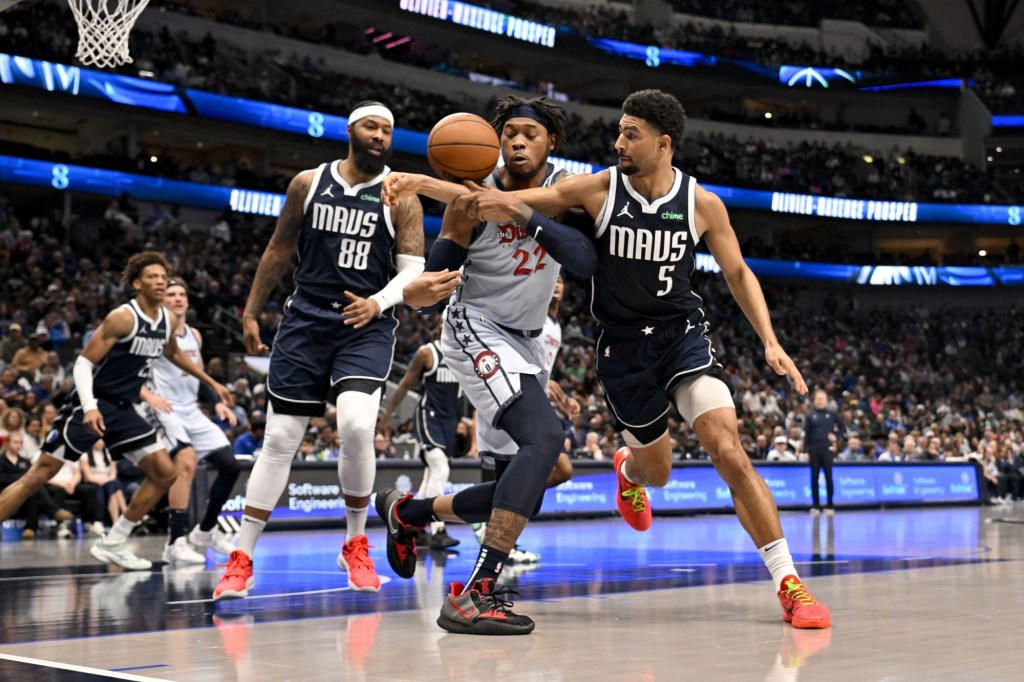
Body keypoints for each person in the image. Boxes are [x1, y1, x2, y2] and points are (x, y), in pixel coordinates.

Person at [452, 89, 831, 629]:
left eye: (631, 133)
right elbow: (506, 201)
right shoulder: (598, 188)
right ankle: (628, 471)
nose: (619, 142)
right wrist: (432, 186)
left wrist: (769, 340)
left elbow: (738, 273)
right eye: (620, 131)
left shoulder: (702, 203)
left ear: (663, 143)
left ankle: (790, 583)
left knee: (728, 449)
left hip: (682, 337)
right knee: (658, 474)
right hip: (623, 350)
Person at [375, 95, 599, 635]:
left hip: (527, 343)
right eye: (510, 133)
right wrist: (423, 287)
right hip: (476, 327)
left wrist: (521, 212)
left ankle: (409, 513)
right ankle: (474, 595)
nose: (518, 141)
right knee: (544, 441)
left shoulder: (568, 190)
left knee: (520, 497)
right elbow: (438, 273)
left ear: (551, 143)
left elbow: (586, 261)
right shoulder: (469, 199)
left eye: (530, 133)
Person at [212, 101, 426, 600]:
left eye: (388, 130)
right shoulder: (308, 183)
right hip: (306, 320)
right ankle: (241, 556)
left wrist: (378, 302)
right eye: (372, 126)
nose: (380, 136)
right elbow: (278, 250)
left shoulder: (402, 196)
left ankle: (355, 542)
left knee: (355, 426)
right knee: (280, 438)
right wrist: (249, 310)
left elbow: (413, 268)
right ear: (351, 130)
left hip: (366, 324)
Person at [0, 251, 232, 569]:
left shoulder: (165, 320)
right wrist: (91, 407)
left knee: (165, 473)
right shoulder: (123, 317)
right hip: (90, 404)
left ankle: (113, 541)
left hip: (124, 410)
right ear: (137, 283)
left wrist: (212, 383)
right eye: (153, 277)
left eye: (164, 277)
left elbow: (176, 355)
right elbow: (82, 363)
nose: (160, 282)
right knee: (38, 476)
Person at [139, 277, 241, 565]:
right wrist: (147, 396)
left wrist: (217, 401)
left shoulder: (195, 335)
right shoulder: (154, 331)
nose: (178, 298)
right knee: (185, 463)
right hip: (164, 407)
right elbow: (136, 369)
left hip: (191, 409)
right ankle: (174, 542)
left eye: (182, 293)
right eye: (171, 294)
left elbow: (198, 374)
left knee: (230, 465)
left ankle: (205, 530)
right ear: (162, 300)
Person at [378, 324, 463, 551]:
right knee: (441, 469)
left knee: (430, 476)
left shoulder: (463, 354)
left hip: (449, 421)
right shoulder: (428, 352)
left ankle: (415, 528)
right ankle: (438, 530)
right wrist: (387, 415)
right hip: (428, 417)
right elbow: (405, 383)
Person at [0, 431, 73, 539]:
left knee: (34, 489)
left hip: (23, 490)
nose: (18, 445)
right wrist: (21, 479)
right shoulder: (1, 460)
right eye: (15, 442)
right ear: (7, 443)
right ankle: (53, 511)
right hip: (5, 490)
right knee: (30, 486)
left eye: (20, 443)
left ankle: (31, 529)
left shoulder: (25, 461)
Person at [804, 389, 843, 514]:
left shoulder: (832, 414)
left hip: (827, 450)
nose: (820, 401)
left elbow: (842, 427)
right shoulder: (810, 415)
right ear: (814, 400)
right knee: (814, 477)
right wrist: (806, 450)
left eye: (822, 399)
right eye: (818, 399)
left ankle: (830, 504)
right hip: (814, 450)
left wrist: (835, 435)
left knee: (828, 477)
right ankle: (816, 505)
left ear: (826, 401)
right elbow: (807, 434)